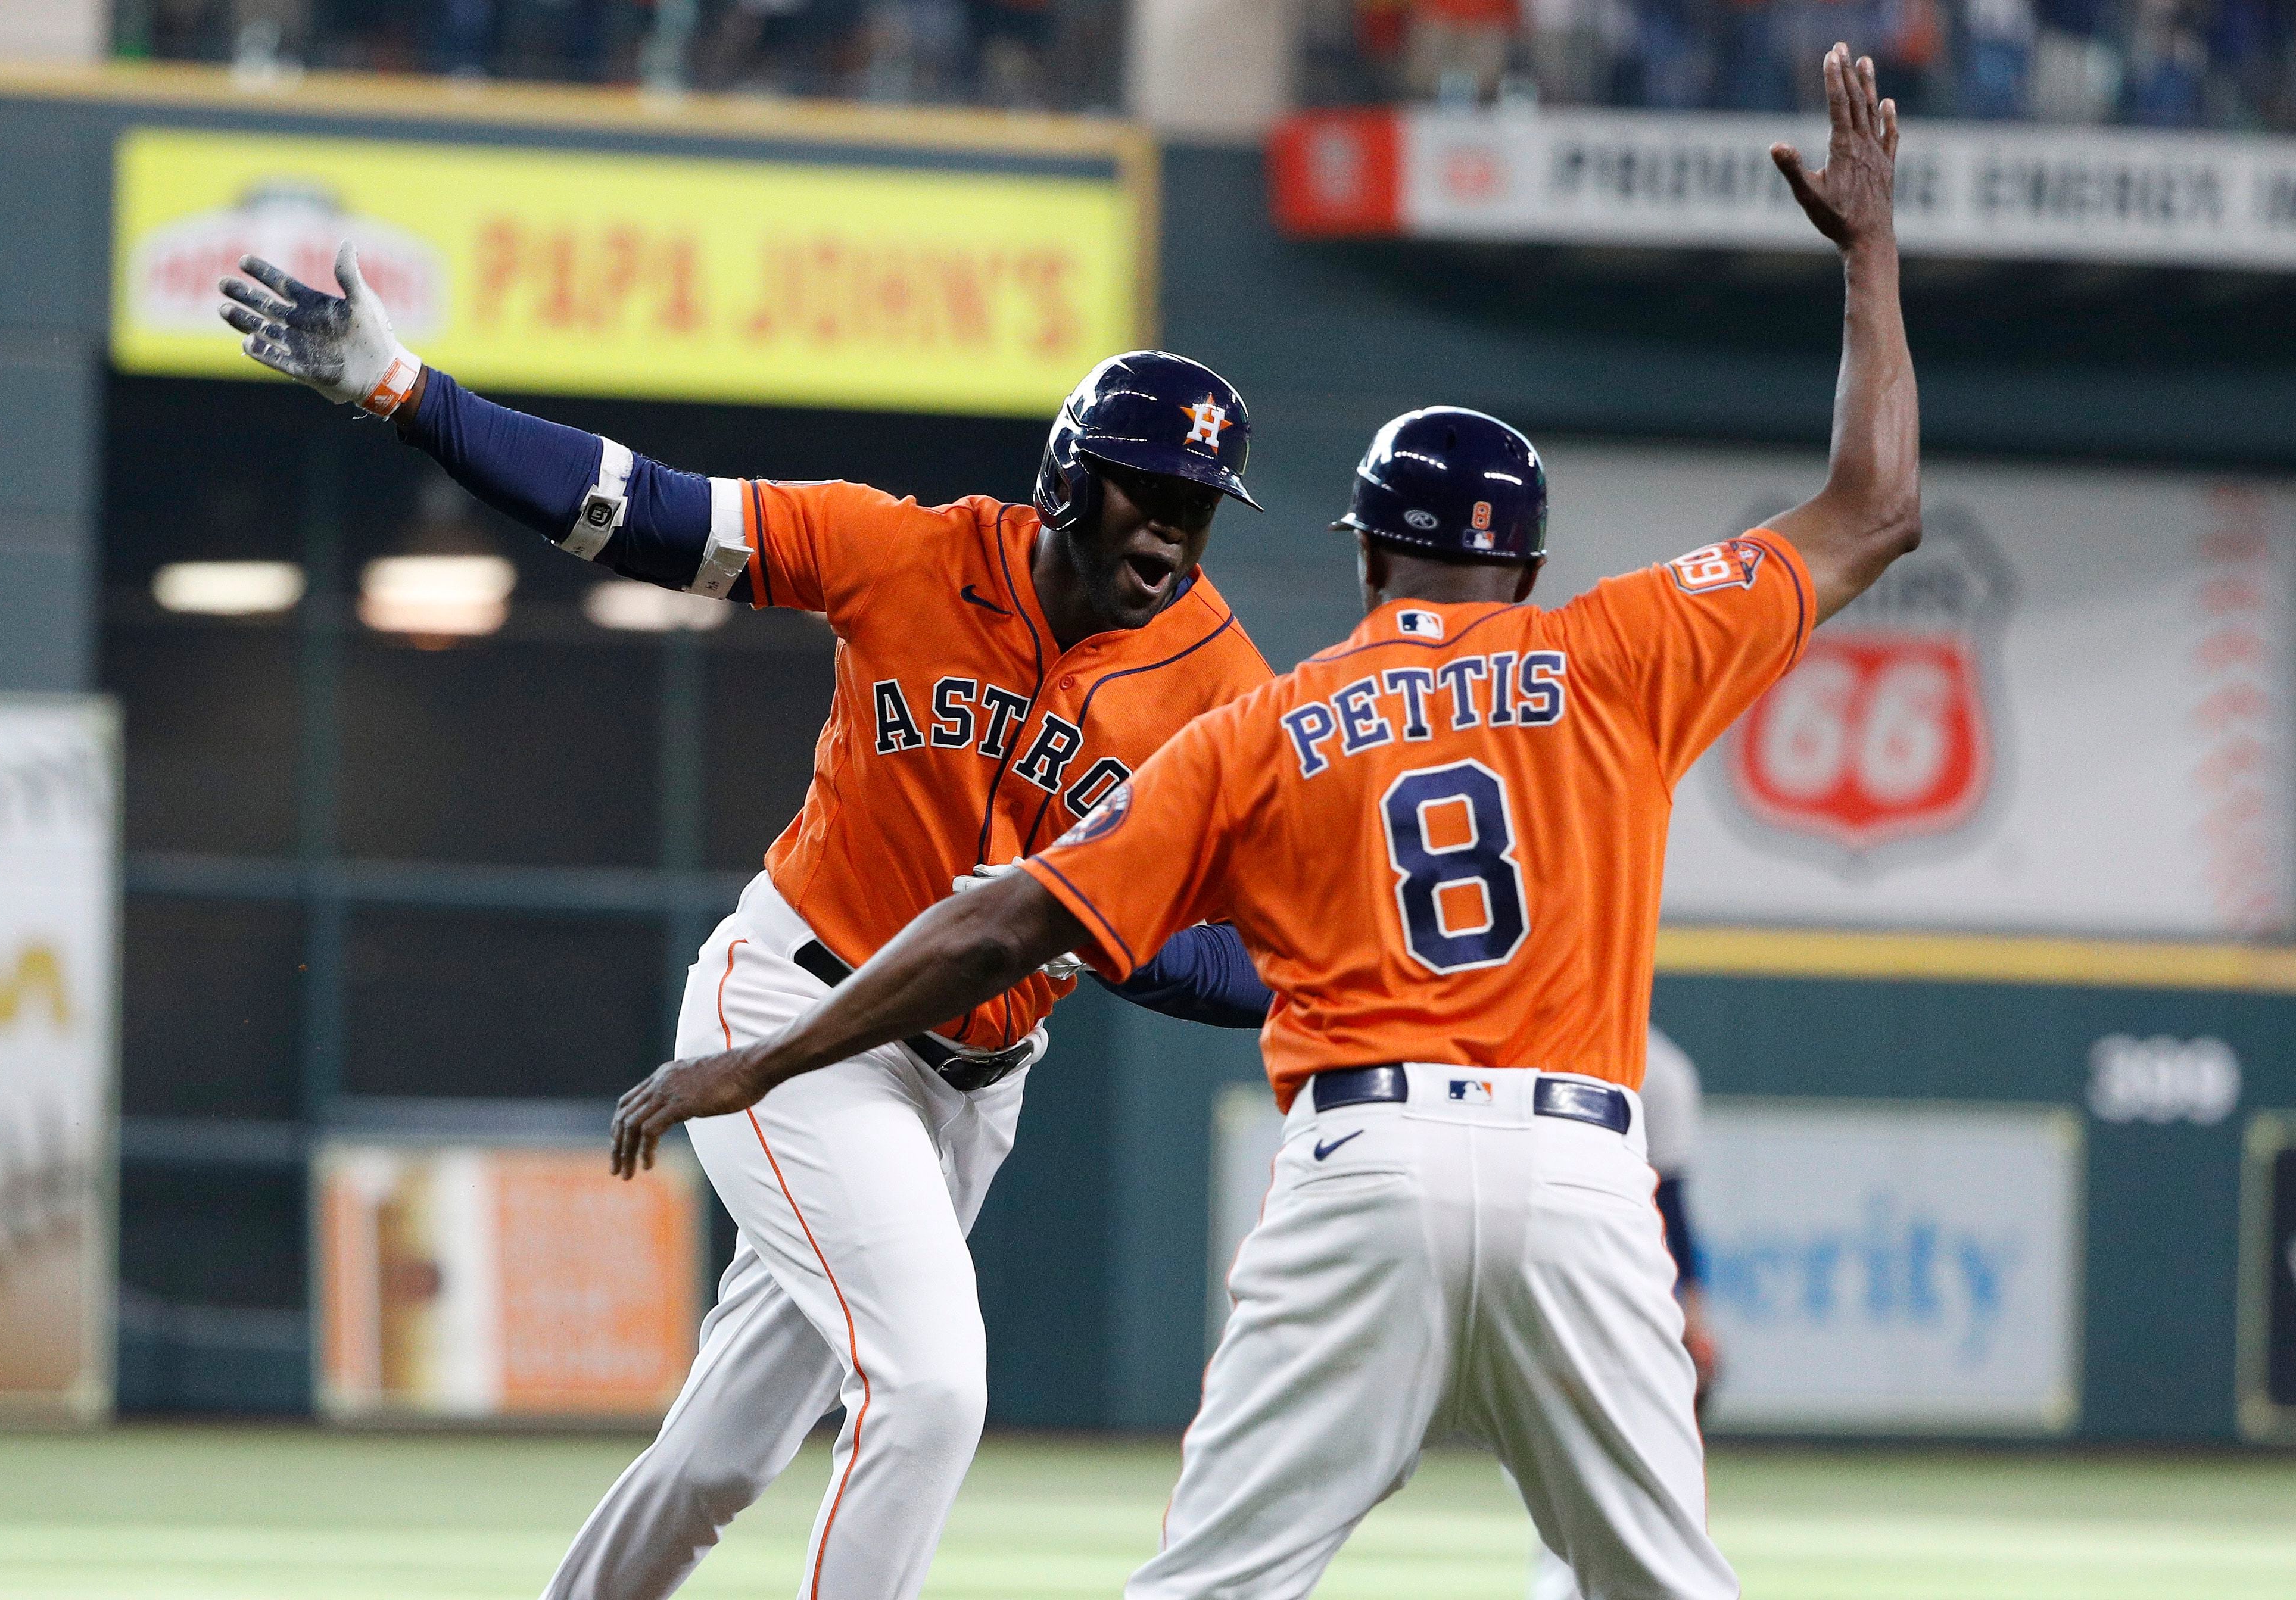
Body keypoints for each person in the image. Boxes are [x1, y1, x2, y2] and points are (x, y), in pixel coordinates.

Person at [606, 42, 1915, 1599]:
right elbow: (1871, 506)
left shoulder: (1266, 721)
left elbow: (1003, 917)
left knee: (1210, 1585)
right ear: (1528, 567)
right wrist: (1867, 253)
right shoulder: (1621, 651)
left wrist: (758, 1054)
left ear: (1367, 556)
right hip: (1578, 1168)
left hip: (1361, 1156)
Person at [216, 260, 1278, 1599]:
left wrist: (1102, 929)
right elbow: (636, 510)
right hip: (795, 1014)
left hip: (972, 1091)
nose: (1173, 535)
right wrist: (401, 389)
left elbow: (1269, 954)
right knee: (933, 1383)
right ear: (1070, 478)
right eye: (1152, 493)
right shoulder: (907, 552)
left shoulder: (1219, 679)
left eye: (1197, 509)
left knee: (718, 1457)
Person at [1529, 1022, 1718, 1600]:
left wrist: (1693, 1313)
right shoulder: (1660, 1066)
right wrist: (1694, 1313)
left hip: (1568, 1269)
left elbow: (1672, 1201)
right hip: (1599, 1276)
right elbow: (1671, 1206)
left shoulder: (1657, 1067)